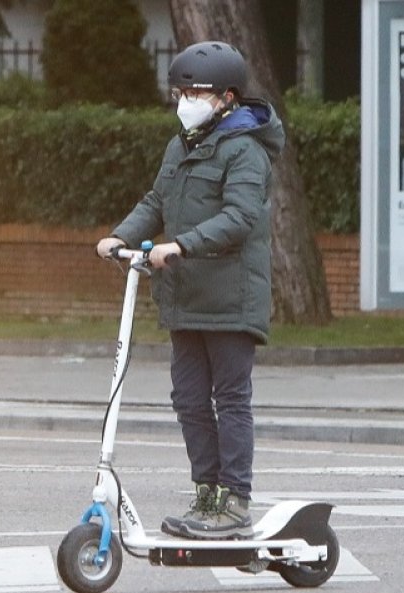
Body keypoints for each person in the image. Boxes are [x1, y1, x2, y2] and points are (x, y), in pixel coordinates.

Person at [94, 40, 285, 539]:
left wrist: (180, 246)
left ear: (226, 97)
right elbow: (157, 199)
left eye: (195, 91)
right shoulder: (181, 145)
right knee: (190, 399)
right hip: (186, 298)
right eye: (181, 91)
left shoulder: (245, 150)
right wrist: (122, 235)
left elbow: (241, 217)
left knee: (230, 398)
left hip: (230, 296)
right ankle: (206, 493)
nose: (185, 100)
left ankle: (235, 499)